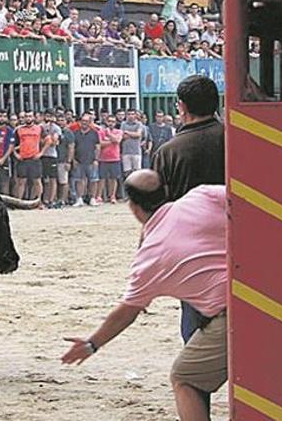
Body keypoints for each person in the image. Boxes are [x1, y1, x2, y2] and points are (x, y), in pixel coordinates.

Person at [61, 170, 227, 421]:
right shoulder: (202, 195)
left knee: (185, 378)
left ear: (133, 207)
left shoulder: (149, 258)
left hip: (230, 318)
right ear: (165, 193)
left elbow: (127, 311)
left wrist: (91, 344)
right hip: (269, 292)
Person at [151, 74, 224, 393]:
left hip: (193, 257)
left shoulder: (169, 151)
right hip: (243, 248)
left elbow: (157, 213)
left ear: (180, 107)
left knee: (194, 336)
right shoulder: (237, 137)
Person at [14, 111, 46, 201]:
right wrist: (15, 154)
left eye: (30, 116)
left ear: (33, 118)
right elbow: (12, 143)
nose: (28, 118)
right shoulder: (19, 130)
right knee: (21, 182)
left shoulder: (39, 128)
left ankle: (39, 201)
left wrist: (41, 153)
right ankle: (18, 201)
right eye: (26, 116)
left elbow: (48, 140)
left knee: (37, 181)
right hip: (23, 159)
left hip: (34, 158)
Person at [73, 113, 101, 207]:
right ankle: (79, 199)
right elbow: (72, 147)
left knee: (93, 180)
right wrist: (73, 159)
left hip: (91, 160)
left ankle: (92, 198)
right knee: (79, 180)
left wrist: (96, 159)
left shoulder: (94, 133)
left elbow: (97, 147)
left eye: (86, 121)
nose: (84, 123)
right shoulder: (75, 133)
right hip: (78, 160)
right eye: (83, 121)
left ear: (90, 122)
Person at [98, 115, 123, 204]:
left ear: (115, 123)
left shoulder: (119, 131)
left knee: (114, 178)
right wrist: (111, 141)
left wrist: (109, 135)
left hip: (115, 158)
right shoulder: (101, 132)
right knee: (102, 178)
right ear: (106, 122)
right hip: (103, 158)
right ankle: (99, 196)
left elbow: (118, 141)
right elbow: (100, 144)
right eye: (109, 121)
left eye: (112, 121)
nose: (111, 123)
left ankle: (112, 196)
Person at [0, 109, 16, 194]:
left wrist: (3, 159)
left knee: (4, 182)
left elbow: (11, 146)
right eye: (0, 116)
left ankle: (5, 203)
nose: (2, 118)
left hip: (4, 160)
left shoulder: (9, 131)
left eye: (4, 116)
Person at [120, 108, 147, 176]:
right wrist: (133, 134)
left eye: (132, 114)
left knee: (137, 173)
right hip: (126, 152)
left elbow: (138, 134)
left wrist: (127, 132)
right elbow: (122, 135)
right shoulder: (123, 124)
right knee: (127, 172)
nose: (131, 116)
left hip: (136, 152)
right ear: (126, 115)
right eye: (129, 114)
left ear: (135, 115)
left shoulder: (139, 124)